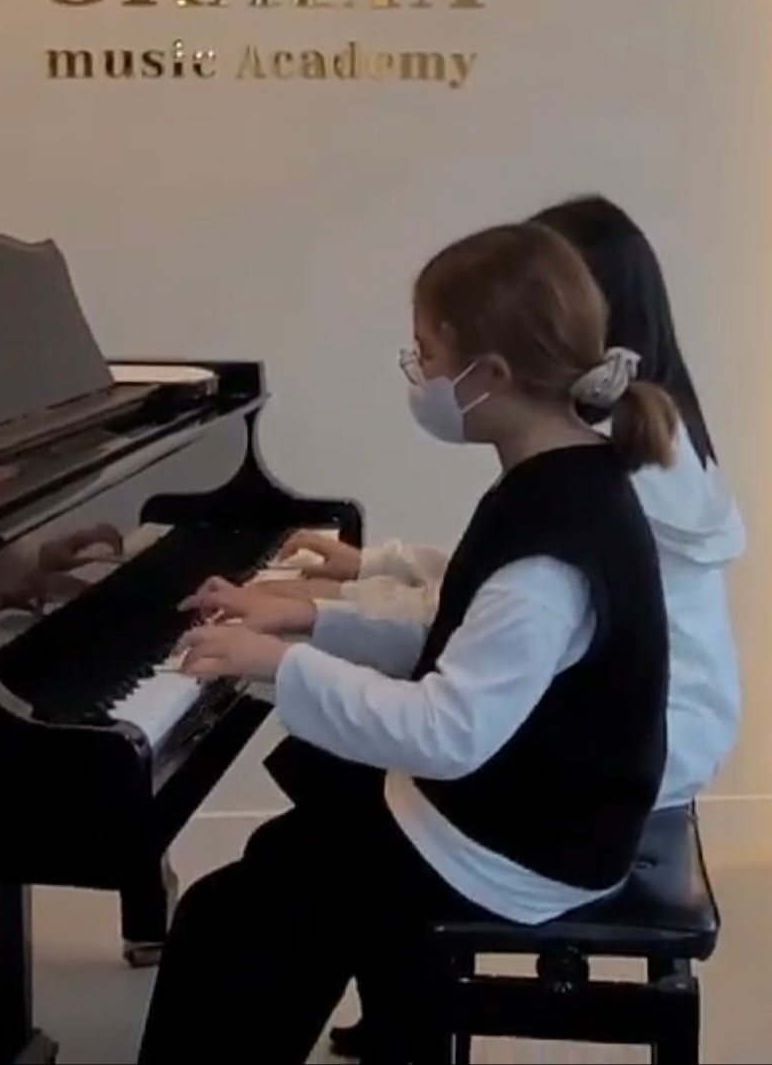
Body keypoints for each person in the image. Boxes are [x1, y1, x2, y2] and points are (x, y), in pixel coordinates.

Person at [136, 221, 675, 1065]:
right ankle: (394, 1018)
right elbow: (453, 631)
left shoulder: (549, 552)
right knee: (295, 847)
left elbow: (447, 733)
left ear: (490, 376)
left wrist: (281, 662)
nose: (417, 373)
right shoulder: (562, 475)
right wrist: (311, 618)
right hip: (523, 800)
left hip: (529, 845)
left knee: (228, 919)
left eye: (425, 353)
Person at [280, 196, 745, 1060]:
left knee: (345, 796)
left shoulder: (610, 474)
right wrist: (365, 576)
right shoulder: (601, 445)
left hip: (618, 751)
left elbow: (500, 619)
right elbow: (483, 588)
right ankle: (399, 995)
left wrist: (307, 632)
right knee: (340, 779)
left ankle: (394, 988)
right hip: (599, 719)